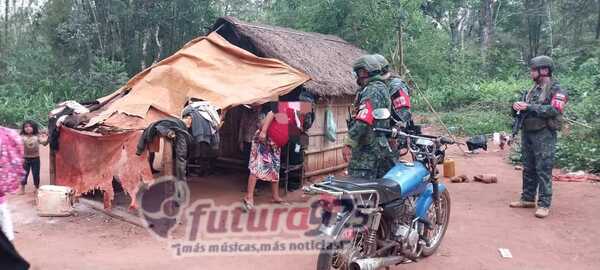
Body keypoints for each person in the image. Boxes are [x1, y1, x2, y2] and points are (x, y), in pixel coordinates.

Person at [509, 55, 568, 218]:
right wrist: (517, 107)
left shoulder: (557, 89)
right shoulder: (532, 90)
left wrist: (530, 107)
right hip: (528, 132)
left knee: (543, 168)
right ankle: (527, 198)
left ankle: (544, 203)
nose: (531, 73)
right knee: (528, 166)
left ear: (544, 70)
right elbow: (523, 110)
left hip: (544, 134)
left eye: (533, 70)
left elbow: (555, 110)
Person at [343, 55, 394, 179]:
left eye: (357, 73)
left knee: (359, 189)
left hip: (368, 151)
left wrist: (349, 143)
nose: (357, 77)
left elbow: (363, 120)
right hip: (379, 146)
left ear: (363, 72)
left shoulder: (372, 90)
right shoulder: (382, 88)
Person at [242, 102, 289, 211]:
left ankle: (275, 196)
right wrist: (263, 132)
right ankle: (249, 197)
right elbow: (270, 115)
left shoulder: (293, 108)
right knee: (257, 166)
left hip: (275, 142)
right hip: (265, 139)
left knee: (275, 167)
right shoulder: (281, 104)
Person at [0, 126, 25, 243]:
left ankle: (8, 238)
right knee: (3, 212)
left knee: (3, 213)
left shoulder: (5, 135)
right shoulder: (6, 134)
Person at [19, 120, 48, 195]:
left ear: (34, 127)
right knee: (24, 174)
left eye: (30, 126)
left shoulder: (37, 136)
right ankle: (22, 188)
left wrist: (47, 137)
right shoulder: (21, 137)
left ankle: (36, 188)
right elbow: (16, 144)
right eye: (26, 127)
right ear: (23, 128)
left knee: (36, 174)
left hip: (35, 158)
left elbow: (44, 143)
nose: (28, 128)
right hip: (25, 159)